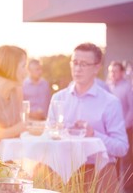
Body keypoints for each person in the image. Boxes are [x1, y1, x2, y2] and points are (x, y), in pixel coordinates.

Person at [47, 43, 128, 192]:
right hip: (62, 174)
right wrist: (57, 133)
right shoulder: (58, 98)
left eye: (84, 64)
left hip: (100, 174)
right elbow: (48, 137)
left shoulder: (110, 102)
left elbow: (122, 148)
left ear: (97, 68)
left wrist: (94, 134)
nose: (77, 69)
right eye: (75, 63)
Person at [0, 45, 27, 152]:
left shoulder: (17, 91)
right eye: (23, 66)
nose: (26, 72)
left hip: (12, 156)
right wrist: (23, 126)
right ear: (11, 66)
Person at [107, 61, 133, 192]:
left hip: (126, 130)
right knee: (112, 161)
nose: (112, 74)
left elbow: (131, 109)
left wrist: (123, 125)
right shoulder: (108, 87)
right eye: (111, 71)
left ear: (122, 73)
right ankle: (114, 188)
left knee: (126, 162)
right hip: (110, 131)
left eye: (115, 71)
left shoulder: (128, 87)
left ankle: (127, 190)